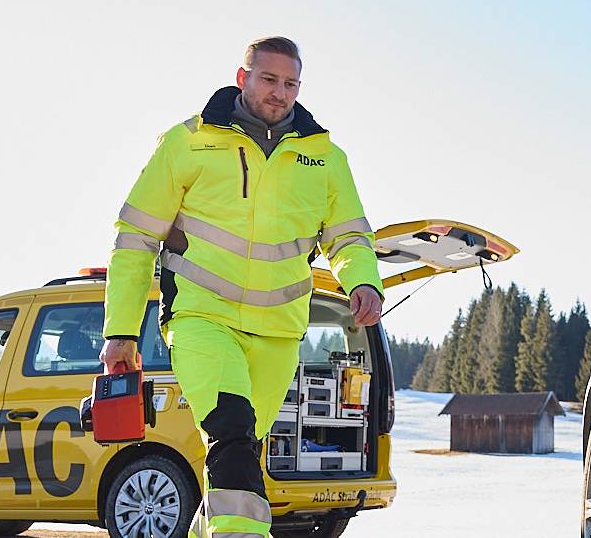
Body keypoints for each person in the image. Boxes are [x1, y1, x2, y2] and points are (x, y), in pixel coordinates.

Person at [100, 36, 383, 538]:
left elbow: (348, 235)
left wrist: (363, 280)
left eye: (290, 83)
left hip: (278, 331)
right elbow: (136, 239)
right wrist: (120, 332)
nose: (279, 92)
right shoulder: (187, 143)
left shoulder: (324, 157)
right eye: (268, 79)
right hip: (201, 319)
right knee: (230, 428)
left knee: (240, 450)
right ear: (242, 78)